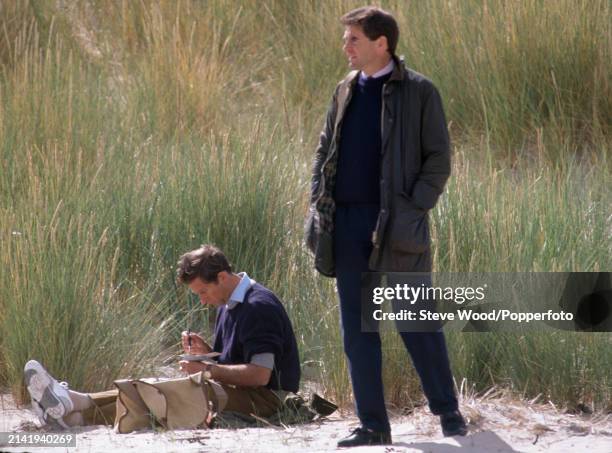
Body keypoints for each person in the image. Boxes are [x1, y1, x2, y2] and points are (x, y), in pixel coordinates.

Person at [306, 6, 467, 447]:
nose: (346, 47)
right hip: (346, 224)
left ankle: (449, 414)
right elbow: (325, 149)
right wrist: (317, 199)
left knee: (417, 322)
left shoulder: (419, 91)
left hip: (399, 224)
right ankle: (373, 425)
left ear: (383, 43)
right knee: (358, 331)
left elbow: (439, 159)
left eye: (354, 39)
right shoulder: (343, 91)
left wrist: (415, 208)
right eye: (347, 39)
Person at [24, 244, 301, 429]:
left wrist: (207, 369)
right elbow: (236, 360)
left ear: (222, 277)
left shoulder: (258, 307)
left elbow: (260, 375)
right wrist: (207, 352)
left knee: (181, 393)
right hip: (243, 391)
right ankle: (77, 401)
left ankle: (77, 415)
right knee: (162, 383)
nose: (203, 301)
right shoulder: (228, 303)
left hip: (266, 399)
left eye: (203, 292)